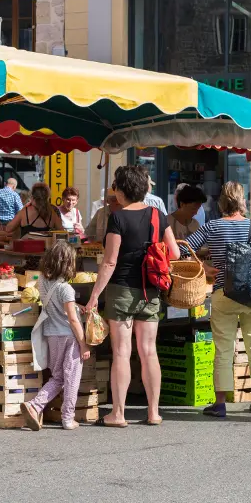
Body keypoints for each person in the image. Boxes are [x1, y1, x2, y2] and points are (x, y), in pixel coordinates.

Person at [85, 165, 179, 427]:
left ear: (121, 190)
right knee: (149, 351)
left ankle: (119, 414)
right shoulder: (159, 216)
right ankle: (153, 412)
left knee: (122, 352)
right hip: (151, 290)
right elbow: (176, 253)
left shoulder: (118, 218)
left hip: (122, 290)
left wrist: (94, 296)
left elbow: (110, 262)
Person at [183, 182, 251, 418]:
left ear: (222, 202)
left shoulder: (212, 226)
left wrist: (204, 266)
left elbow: (184, 249)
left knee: (223, 348)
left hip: (224, 292)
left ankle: (220, 402)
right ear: (242, 201)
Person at [21, 242, 90, 431]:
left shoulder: (42, 280)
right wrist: (83, 344)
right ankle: (68, 418)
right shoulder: (66, 288)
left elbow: (55, 306)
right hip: (68, 336)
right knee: (72, 377)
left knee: (58, 377)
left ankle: (34, 405)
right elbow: (73, 320)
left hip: (51, 334)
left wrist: (75, 307)